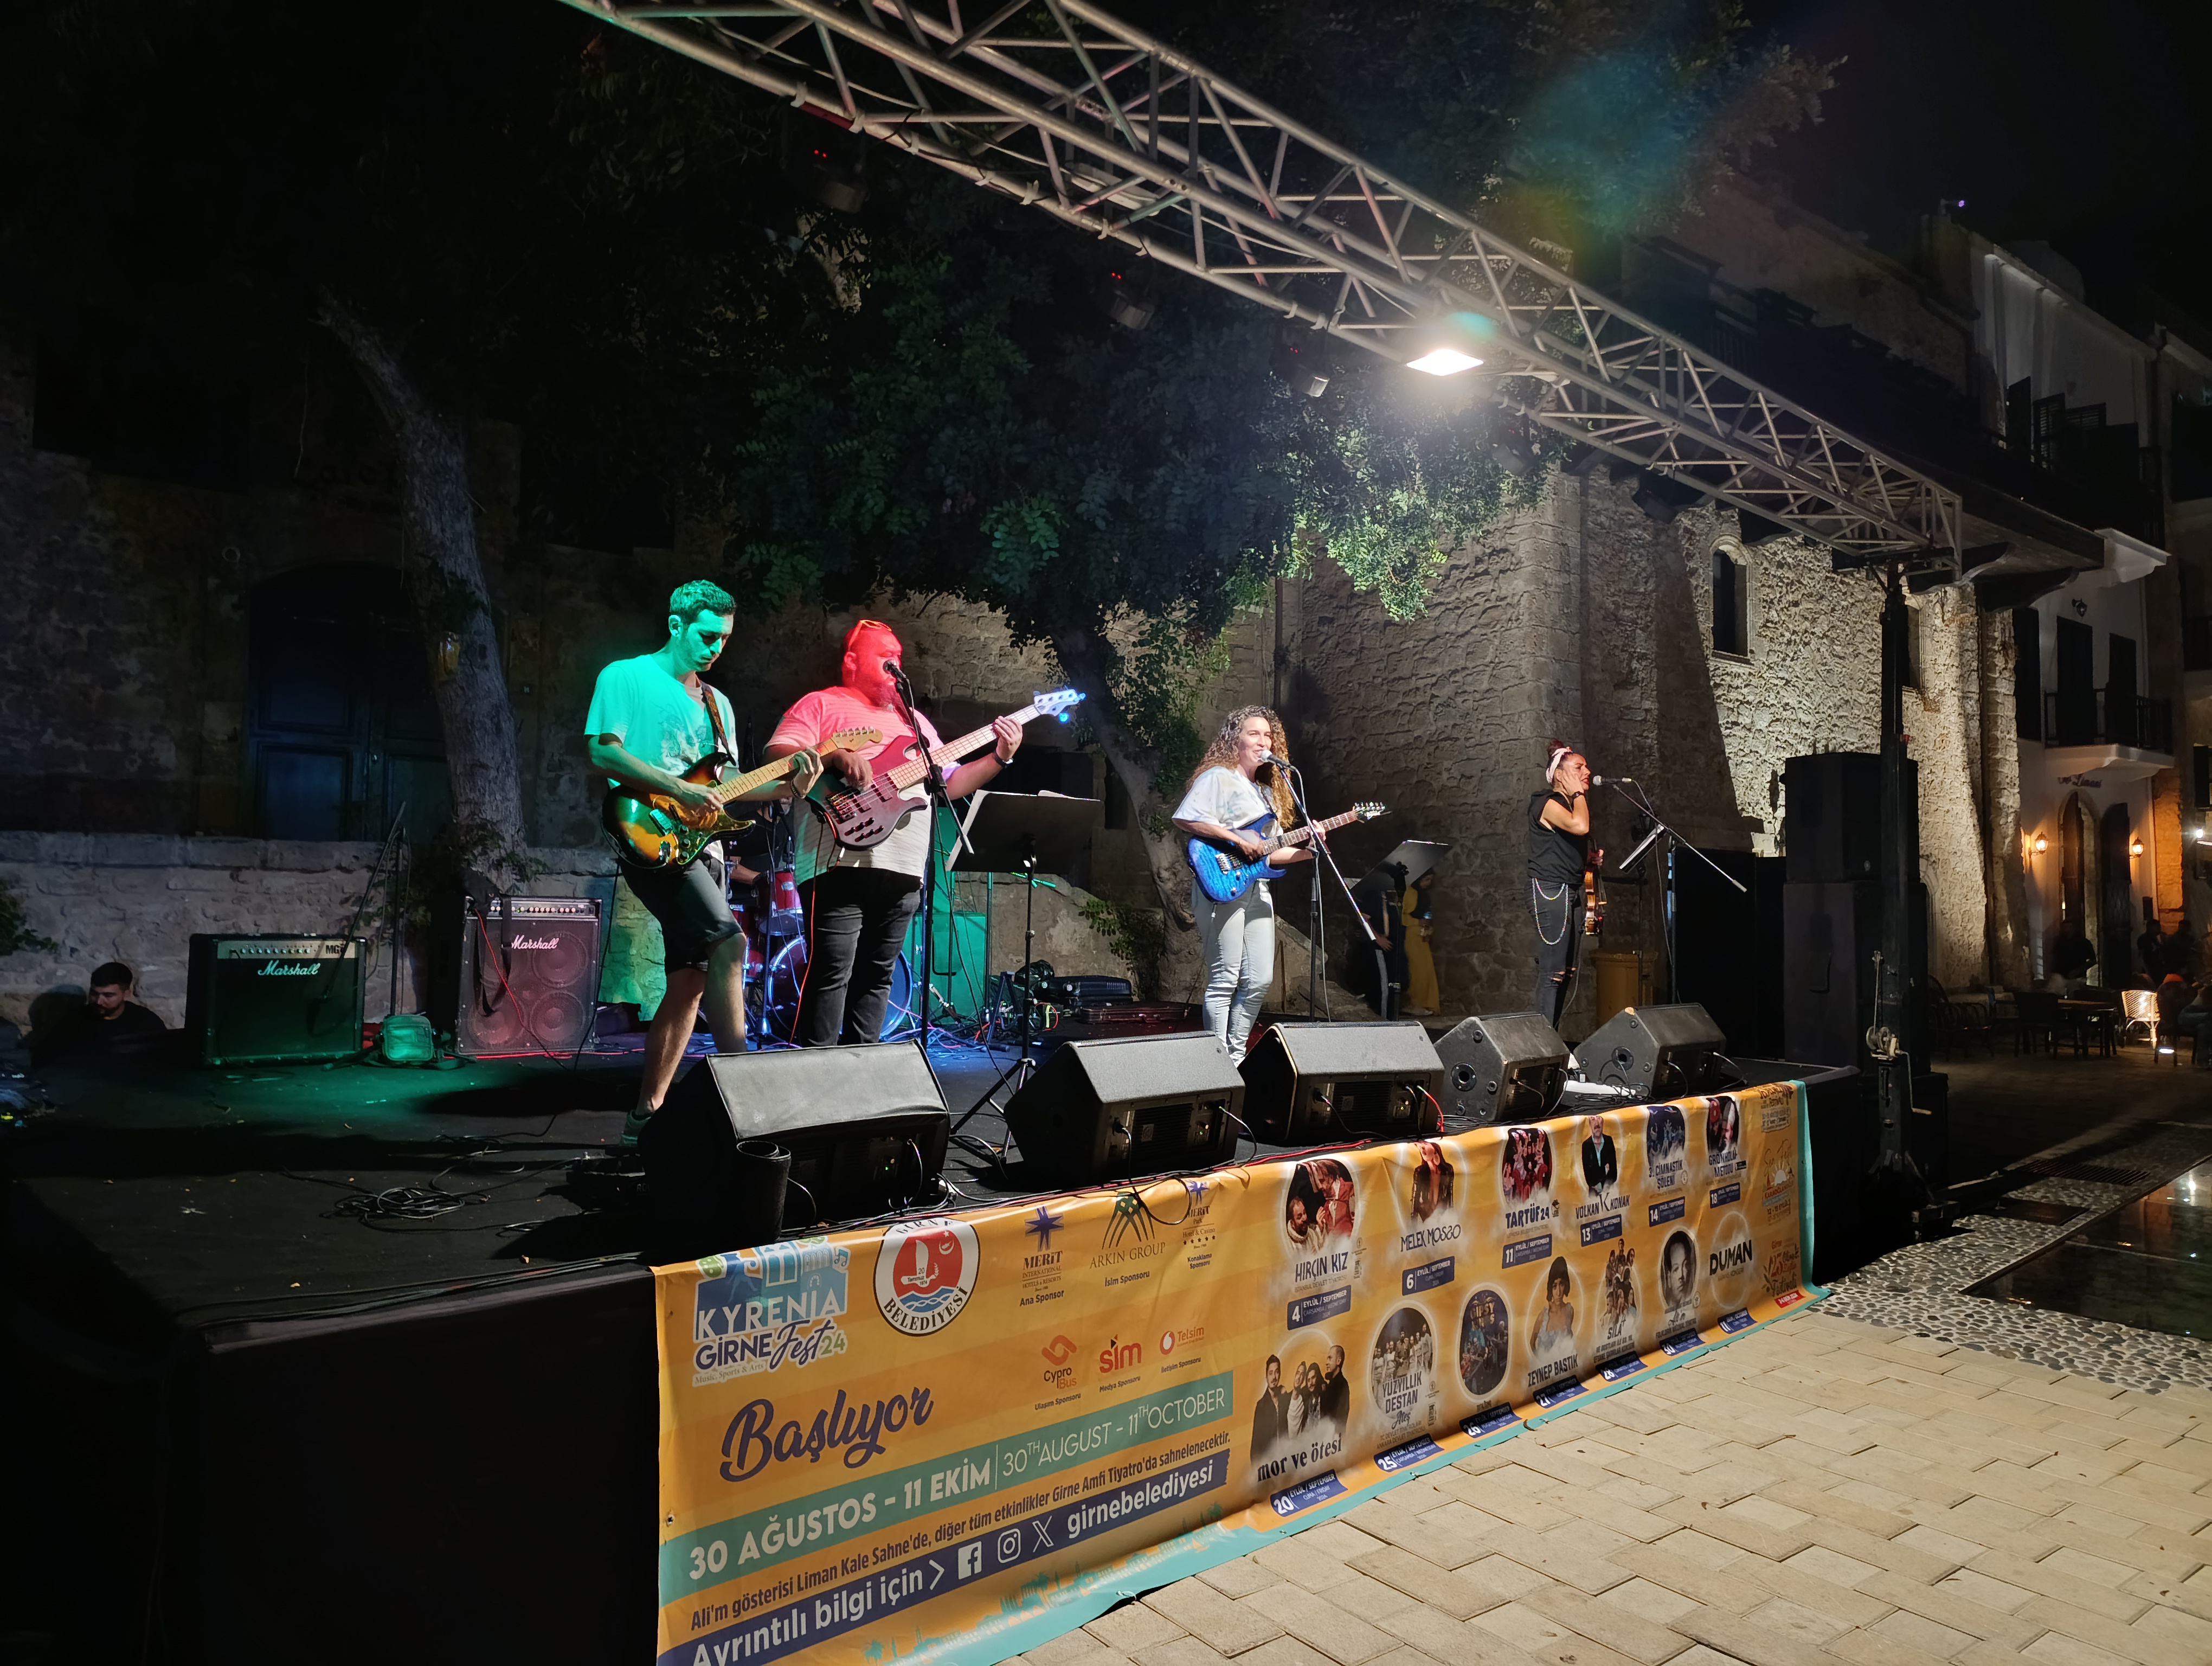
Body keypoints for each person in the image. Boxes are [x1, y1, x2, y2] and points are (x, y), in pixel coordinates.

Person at [587, 580, 823, 1142]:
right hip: (651, 835)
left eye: (724, 638)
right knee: (730, 944)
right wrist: (679, 790)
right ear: (676, 624)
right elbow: (602, 751)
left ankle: (644, 1118)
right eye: (708, 635)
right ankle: (745, 1089)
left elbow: (727, 784)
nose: (717, 647)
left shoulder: (719, 705)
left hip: (706, 848)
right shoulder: (625, 676)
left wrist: (791, 786)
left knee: (691, 980)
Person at [767, 620, 1021, 1048]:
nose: (895, 662)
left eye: (899, 656)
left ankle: (864, 1069)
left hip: (903, 870)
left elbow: (950, 782)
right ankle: (814, 1071)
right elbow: (777, 754)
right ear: (852, 661)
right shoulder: (821, 704)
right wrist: (835, 755)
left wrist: (1000, 756)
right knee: (831, 972)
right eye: (884, 654)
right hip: (837, 863)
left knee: (878, 976)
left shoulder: (914, 721)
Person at [1171, 706, 1313, 1061]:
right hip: (1220, 885)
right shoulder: (1218, 777)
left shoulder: (1266, 793)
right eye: (1254, 734)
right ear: (1236, 740)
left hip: (1257, 888)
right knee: (1225, 978)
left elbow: (1270, 852)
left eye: (1268, 735)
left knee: (1260, 980)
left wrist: (1309, 851)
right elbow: (1187, 818)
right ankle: (1215, 1063)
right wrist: (1236, 839)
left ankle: (1236, 1059)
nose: (1263, 741)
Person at [1529, 741, 1600, 1026]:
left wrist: (1587, 859)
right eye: (1579, 768)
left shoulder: (1568, 806)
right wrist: (1580, 793)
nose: (1587, 772)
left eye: (1586, 767)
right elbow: (1581, 826)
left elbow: (1563, 846)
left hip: (1569, 890)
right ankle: (1541, 1042)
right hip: (1550, 890)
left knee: (1566, 971)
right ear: (1559, 775)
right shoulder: (1547, 802)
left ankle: (1551, 1034)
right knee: (1552, 972)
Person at [29, 962, 170, 1063]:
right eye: (94, 994)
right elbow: (45, 1058)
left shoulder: (146, 1022)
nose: (98, 1001)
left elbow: (164, 1062)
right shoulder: (75, 1021)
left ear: (126, 994)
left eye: (108, 996)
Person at [1349, 862, 1409, 1016]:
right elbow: (1363, 918)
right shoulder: (1373, 894)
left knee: (1395, 983)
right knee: (1384, 985)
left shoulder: (1393, 896)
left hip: (1394, 947)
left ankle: (1392, 1016)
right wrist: (1376, 938)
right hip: (1380, 946)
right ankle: (1384, 1018)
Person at [1401, 868, 1439, 1016]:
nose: (1428, 883)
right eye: (1426, 880)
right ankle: (1415, 1003)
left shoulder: (1425, 896)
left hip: (1421, 937)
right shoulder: (1408, 893)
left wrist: (1429, 932)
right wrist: (1417, 922)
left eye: (1430, 880)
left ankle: (1427, 1003)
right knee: (1416, 972)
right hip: (1409, 936)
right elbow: (1400, 916)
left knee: (1427, 971)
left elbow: (1428, 919)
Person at [1251, 1356, 1290, 1452]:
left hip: (1286, 1456)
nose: (1274, 1377)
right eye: (1271, 1373)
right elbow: (1256, 1445)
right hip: (1269, 1459)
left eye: (1277, 1372)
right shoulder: (1261, 1406)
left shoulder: (1284, 1399)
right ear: (1266, 1377)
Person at [1315, 1344, 1350, 1431]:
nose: (1327, 1363)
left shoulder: (1341, 1385)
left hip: (1333, 1436)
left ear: (1338, 1361)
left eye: (1330, 1358)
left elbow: (1340, 1417)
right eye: (1327, 1359)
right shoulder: (1332, 1384)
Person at [1580, 1114, 1617, 1191]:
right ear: (1590, 1124)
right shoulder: (1586, 1145)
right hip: (1593, 1195)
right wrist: (1605, 1169)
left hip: (1609, 1191)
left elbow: (1614, 1173)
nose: (1597, 1123)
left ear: (1603, 1123)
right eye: (1593, 1120)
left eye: (1599, 1119)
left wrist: (1601, 1185)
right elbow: (1589, 1177)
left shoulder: (1609, 1141)